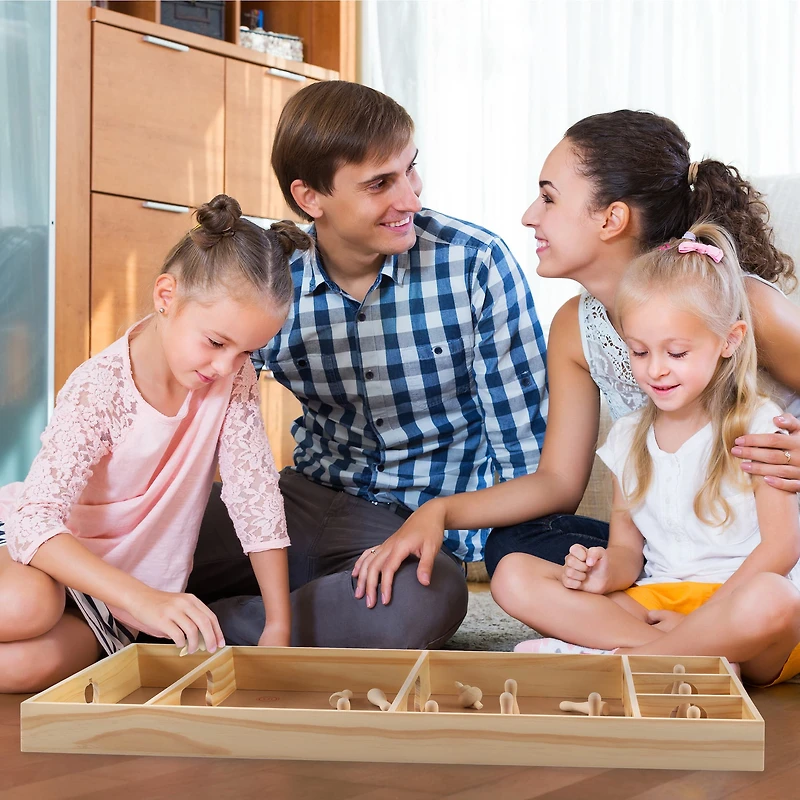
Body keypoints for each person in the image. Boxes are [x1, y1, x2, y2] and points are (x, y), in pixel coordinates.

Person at [371, 109, 800, 626]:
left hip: (770, 536)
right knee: (515, 545)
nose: (531, 215)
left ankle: (668, 635)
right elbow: (557, 481)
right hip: (677, 546)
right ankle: (676, 638)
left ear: (611, 219)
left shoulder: (740, 304)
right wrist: (441, 511)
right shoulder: (576, 326)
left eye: (549, 198)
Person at [204, 80, 548, 649]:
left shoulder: (474, 264)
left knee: (423, 601)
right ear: (311, 198)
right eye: (379, 183)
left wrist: (499, 552)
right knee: (139, 548)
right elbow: (191, 392)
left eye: (411, 170)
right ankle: (285, 618)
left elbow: (526, 455)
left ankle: (192, 628)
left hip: (408, 523)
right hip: (294, 501)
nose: (410, 198)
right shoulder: (272, 277)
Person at [0, 195, 311, 693]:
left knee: (25, 670)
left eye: (247, 351)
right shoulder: (98, 387)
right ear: (166, 295)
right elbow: (34, 522)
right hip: (43, 553)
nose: (227, 367)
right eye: (216, 343)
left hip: (111, 598)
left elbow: (255, 498)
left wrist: (279, 624)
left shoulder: (233, 381)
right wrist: (145, 597)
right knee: (27, 607)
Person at [513, 222, 800, 687]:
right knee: (514, 575)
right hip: (658, 599)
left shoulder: (758, 425)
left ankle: (627, 661)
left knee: (776, 597)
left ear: (729, 340)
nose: (657, 370)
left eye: (677, 353)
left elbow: (782, 549)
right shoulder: (628, 439)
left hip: (739, 603)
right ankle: (690, 658)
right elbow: (629, 551)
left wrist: (711, 615)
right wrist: (603, 572)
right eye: (640, 352)